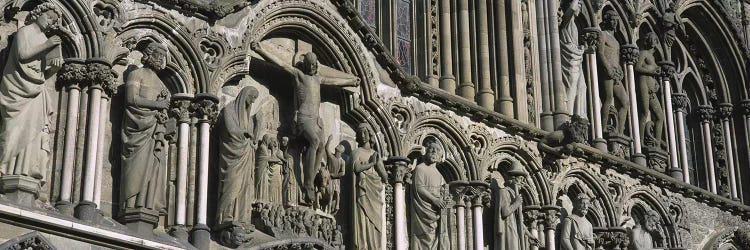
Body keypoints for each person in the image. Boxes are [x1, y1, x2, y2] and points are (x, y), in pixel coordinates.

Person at [251, 41, 359, 204]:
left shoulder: (318, 79)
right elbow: (280, 63)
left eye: (316, 65)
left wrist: (351, 82)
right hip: (303, 118)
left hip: (316, 120)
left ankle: (312, 176)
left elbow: (334, 81)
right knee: (315, 141)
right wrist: (261, 49)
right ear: (306, 64)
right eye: (312, 64)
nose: (314, 67)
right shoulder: (299, 75)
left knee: (321, 146)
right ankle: (308, 183)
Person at [0, 2, 62, 185]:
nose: (50, 22)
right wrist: (47, 44)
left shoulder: (43, 37)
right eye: (49, 17)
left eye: (54, 21)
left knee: (34, 129)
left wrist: (53, 69)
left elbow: (41, 73)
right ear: (38, 14)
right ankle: (4, 166)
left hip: (36, 88)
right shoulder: (25, 32)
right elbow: (22, 55)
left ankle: (23, 169)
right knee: (13, 128)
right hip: (16, 87)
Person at [120, 42, 171, 211]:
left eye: (163, 56)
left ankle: (147, 205)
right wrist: (158, 106)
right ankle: (131, 205)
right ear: (149, 55)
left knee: (154, 167)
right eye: (158, 55)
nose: (161, 59)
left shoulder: (162, 84)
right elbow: (131, 100)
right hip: (138, 129)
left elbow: (162, 106)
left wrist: (163, 113)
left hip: (154, 131)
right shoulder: (136, 74)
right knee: (136, 167)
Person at [216, 86, 260, 225]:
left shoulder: (249, 119)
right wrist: (243, 134)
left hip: (245, 157)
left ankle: (241, 218)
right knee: (232, 183)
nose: (252, 102)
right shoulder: (229, 109)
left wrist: (256, 128)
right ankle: (225, 217)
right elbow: (230, 129)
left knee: (244, 187)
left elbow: (252, 140)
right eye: (252, 98)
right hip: (231, 156)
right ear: (245, 95)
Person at [352, 123, 387, 249]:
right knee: (363, 219)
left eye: (365, 132)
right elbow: (356, 168)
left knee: (376, 223)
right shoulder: (357, 152)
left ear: (370, 134)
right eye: (360, 132)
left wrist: (377, 164)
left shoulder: (375, 153)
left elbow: (385, 177)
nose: (363, 135)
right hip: (363, 191)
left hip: (374, 191)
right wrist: (371, 163)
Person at [410, 140, 450, 250]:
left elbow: (441, 192)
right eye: (431, 149)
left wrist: (445, 199)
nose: (434, 151)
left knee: (435, 237)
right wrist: (434, 200)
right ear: (426, 152)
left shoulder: (439, 175)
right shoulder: (420, 168)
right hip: (423, 210)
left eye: (437, 150)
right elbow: (419, 187)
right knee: (424, 238)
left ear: (440, 156)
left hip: (436, 211)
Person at [598, 10, 630, 136]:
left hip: (616, 74)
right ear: (606, 20)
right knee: (608, 98)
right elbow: (600, 53)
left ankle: (620, 131)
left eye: (616, 20)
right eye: (612, 19)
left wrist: (620, 71)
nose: (614, 23)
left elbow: (617, 58)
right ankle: (603, 128)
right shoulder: (603, 35)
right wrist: (608, 68)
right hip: (606, 72)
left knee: (625, 102)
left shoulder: (616, 41)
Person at [495, 160, 538, 250]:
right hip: (507, 229)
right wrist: (516, 203)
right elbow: (505, 212)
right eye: (520, 179)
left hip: (514, 229)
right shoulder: (504, 191)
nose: (522, 182)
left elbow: (519, 220)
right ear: (513, 178)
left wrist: (529, 235)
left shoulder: (514, 195)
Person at [636, 32, 665, 146]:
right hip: (643, 84)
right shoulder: (643, 53)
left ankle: (657, 143)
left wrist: (656, 83)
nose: (653, 41)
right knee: (644, 111)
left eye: (655, 39)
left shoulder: (652, 57)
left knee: (660, 116)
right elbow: (637, 67)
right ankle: (640, 142)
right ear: (647, 40)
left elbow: (651, 73)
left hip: (652, 89)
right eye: (651, 38)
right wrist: (652, 72)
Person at [559, 0, 587, 117]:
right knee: (571, 84)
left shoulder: (574, 25)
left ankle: (578, 114)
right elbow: (570, 11)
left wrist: (583, 49)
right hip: (569, 60)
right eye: (578, 6)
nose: (579, 10)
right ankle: (568, 114)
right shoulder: (568, 21)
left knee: (582, 86)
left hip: (576, 58)